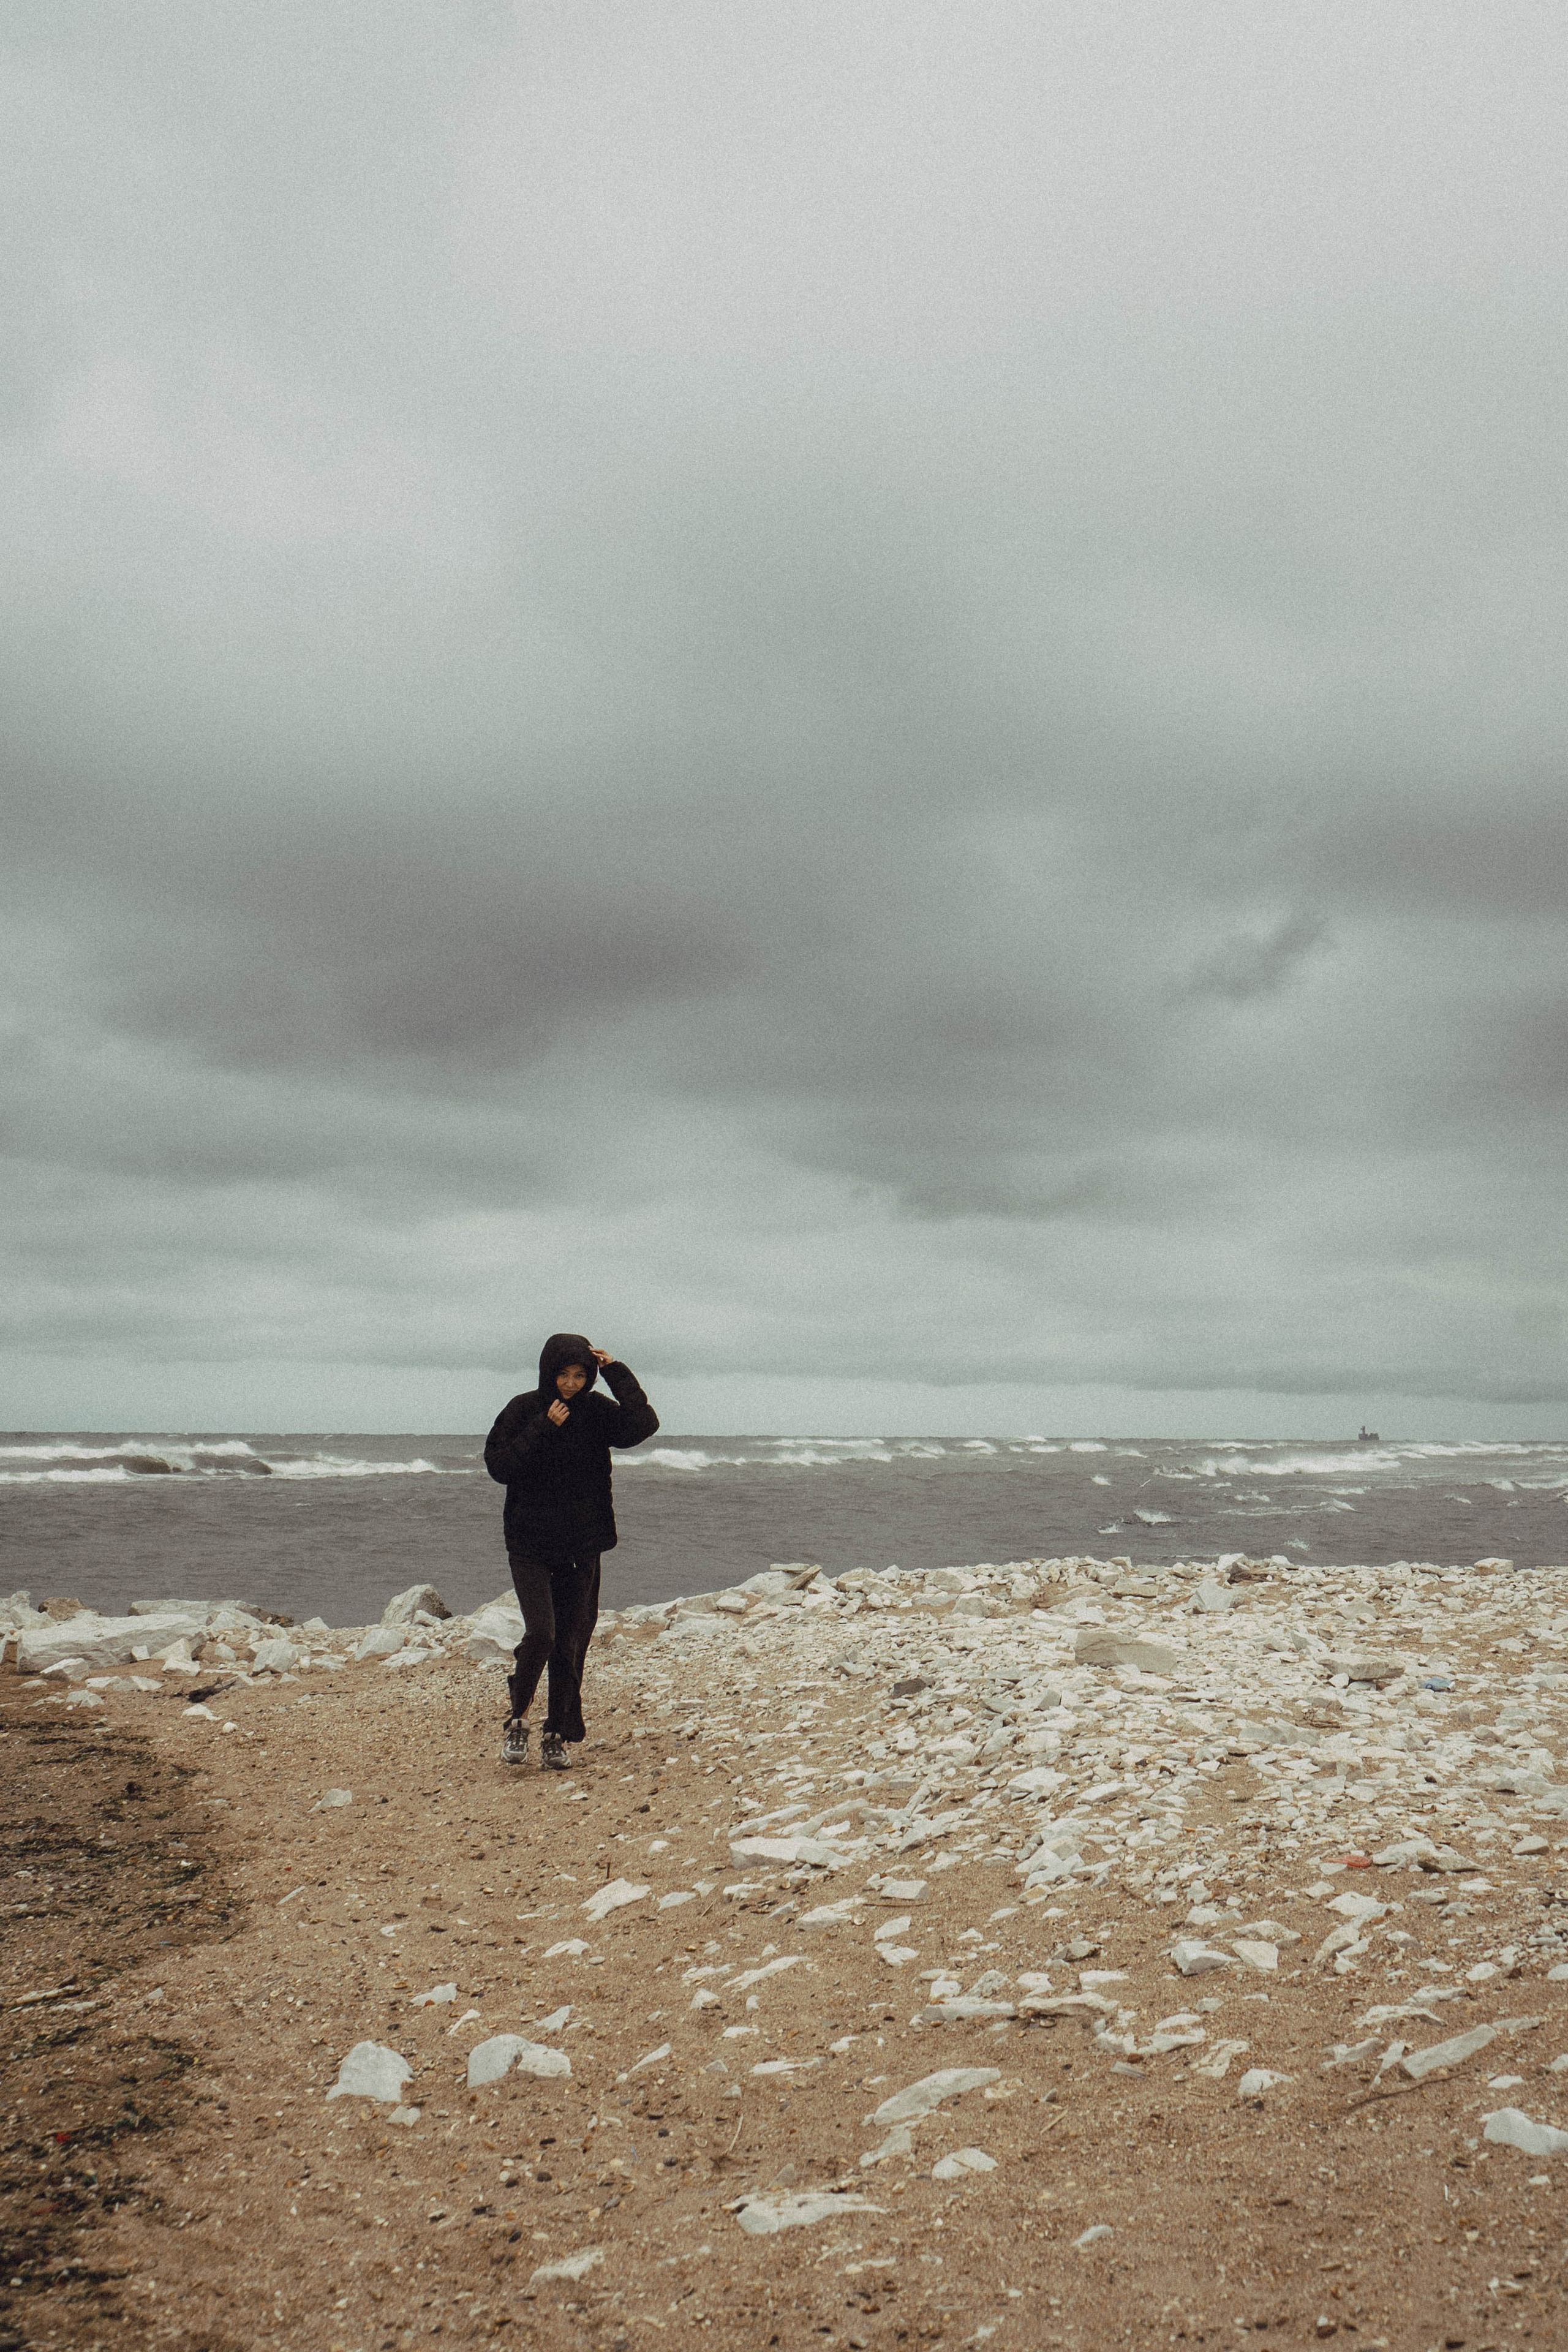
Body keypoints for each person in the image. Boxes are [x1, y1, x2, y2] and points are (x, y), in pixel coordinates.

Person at [483, 1333, 659, 1770]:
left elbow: (643, 1425)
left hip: (581, 1546)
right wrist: (544, 1426)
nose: (572, 1383)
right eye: (564, 1374)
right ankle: (518, 1721)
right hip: (529, 1544)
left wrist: (617, 1372)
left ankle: (556, 1733)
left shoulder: (598, 1412)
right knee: (541, 1633)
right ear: (549, 1370)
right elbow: (499, 1467)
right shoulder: (524, 1407)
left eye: (581, 1375)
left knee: (570, 1644)